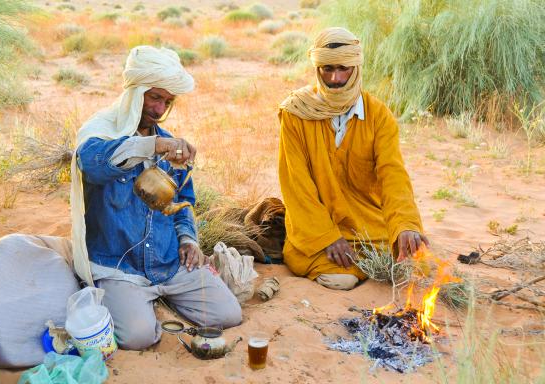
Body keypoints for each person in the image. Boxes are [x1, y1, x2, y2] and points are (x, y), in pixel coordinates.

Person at [71, 46, 242, 350]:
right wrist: (152, 146)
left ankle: (159, 297)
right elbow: (93, 165)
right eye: (155, 98)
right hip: (120, 268)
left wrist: (188, 240)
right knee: (139, 337)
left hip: (167, 262)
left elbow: (184, 201)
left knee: (228, 315)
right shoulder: (100, 134)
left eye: (168, 101)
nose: (160, 109)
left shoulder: (167, 142)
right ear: (136, 92)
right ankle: (143, 304)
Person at [278, 27, 429, 291]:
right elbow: (295, 183)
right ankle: (350, 263)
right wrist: (327, 237)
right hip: (314, 228)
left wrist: (406, 224)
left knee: (412, 262)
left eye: (342, 68)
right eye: (327, 69)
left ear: (356, 68)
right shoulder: (296, 113)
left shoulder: (378, 116)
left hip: (367, 227)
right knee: (339, 277)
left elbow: (393, 175)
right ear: (317, 69)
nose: (335, 78)